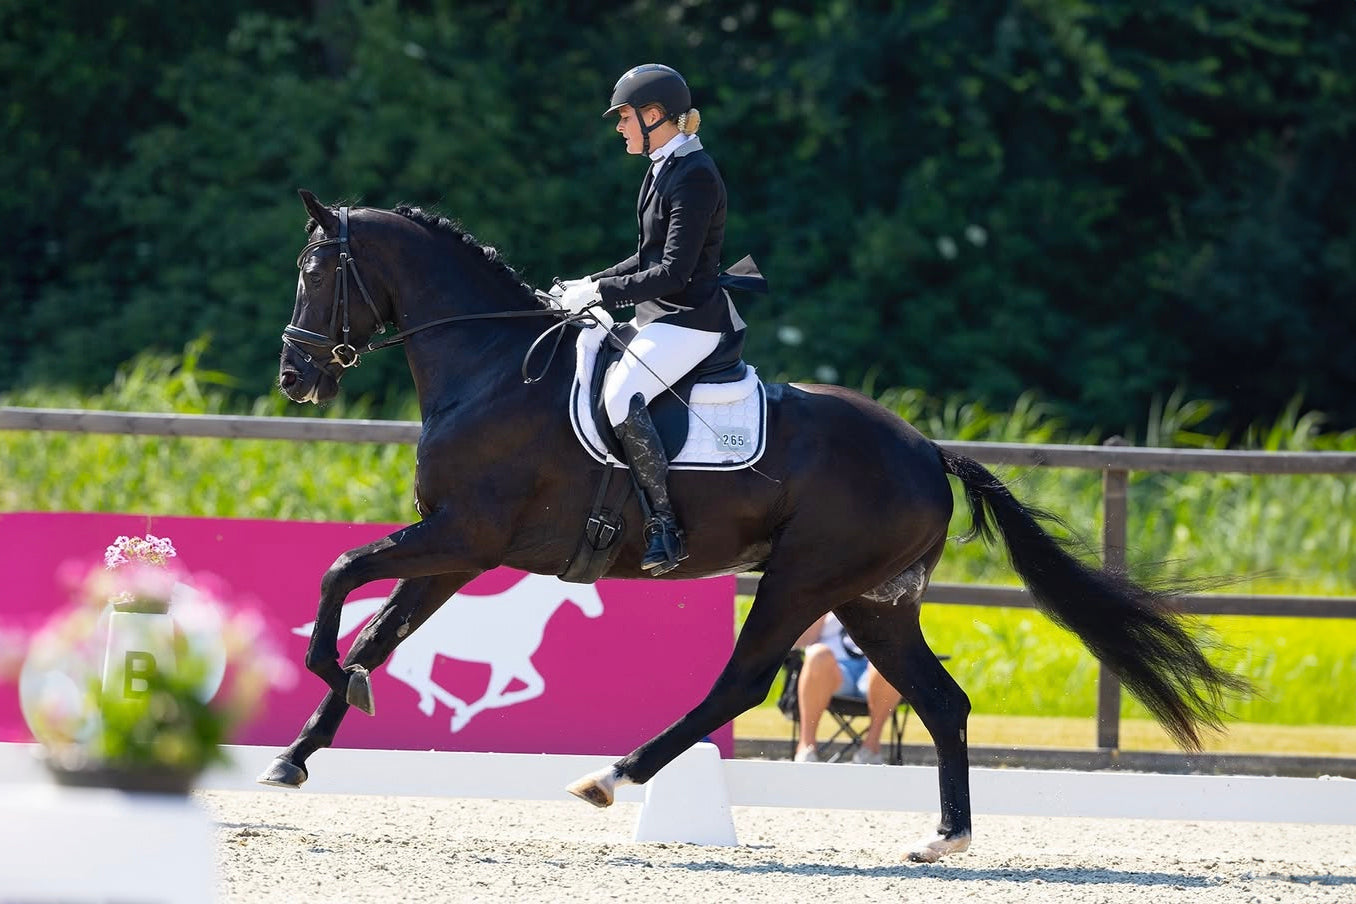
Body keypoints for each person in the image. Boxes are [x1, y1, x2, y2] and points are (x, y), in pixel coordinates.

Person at [553, 63, 748, 577]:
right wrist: (586, 282)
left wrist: (600, 293)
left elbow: (673, 272)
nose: (620, 127)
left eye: (625, 117)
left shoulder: (695, 175)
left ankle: (664, 523)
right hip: (660, 316)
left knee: (620, 396)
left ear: (654, 115)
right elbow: (646, 257)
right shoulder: (663, 167)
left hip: (691, 321)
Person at [793, 612, 903, 765]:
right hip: (833, 670)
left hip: (874, 667)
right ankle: (806, 746)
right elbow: (800, 642)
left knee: (892, 657)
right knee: (818, 655)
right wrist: (820, 606)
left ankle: (871, 747)